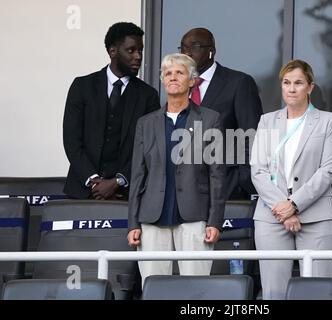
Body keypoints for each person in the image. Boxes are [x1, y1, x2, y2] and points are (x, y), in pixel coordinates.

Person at [127, 53, 225, 279]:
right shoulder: (146, 123)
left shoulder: (210, 119)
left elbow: (217, 175)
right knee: (154, 287)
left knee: (196, 289)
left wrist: (214, 221)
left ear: (192, 81)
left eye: (179, 72)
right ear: (162, 80)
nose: (172, 77)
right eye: (167, 73)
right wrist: (133, 222)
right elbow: (138, 175)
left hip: (194, 216)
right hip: (152, 217)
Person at [250, 59, 332, 299]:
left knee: (317, 293)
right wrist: (283, 208)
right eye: (286, 83)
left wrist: (294, 205)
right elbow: (257, 169)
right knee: (273, 292)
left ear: (310, 87)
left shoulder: (328, 121)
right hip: (272, 216)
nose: (291, 89)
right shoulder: (267, 121)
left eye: (298, 83)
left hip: (316, 216)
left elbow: (328, 170)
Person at [62, 22, 160, 200]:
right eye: (131, 50)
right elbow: (71, 141)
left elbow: (149, 146)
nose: (138, 56)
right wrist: (93, 181)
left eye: (141, 50)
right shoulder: (82, 87)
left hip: (128, 194)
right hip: (83, 192)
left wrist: (117, 181)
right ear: (113, 51)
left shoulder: (148, 95)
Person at [179, 28, 263, 200]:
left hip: (227, 187)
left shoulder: (238, 83)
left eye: (194, 46)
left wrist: (244, 182)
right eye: (183, 48)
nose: (187, 53)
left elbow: (251, 135)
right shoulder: (178, 86)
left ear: (212, 51)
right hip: (185, 189)